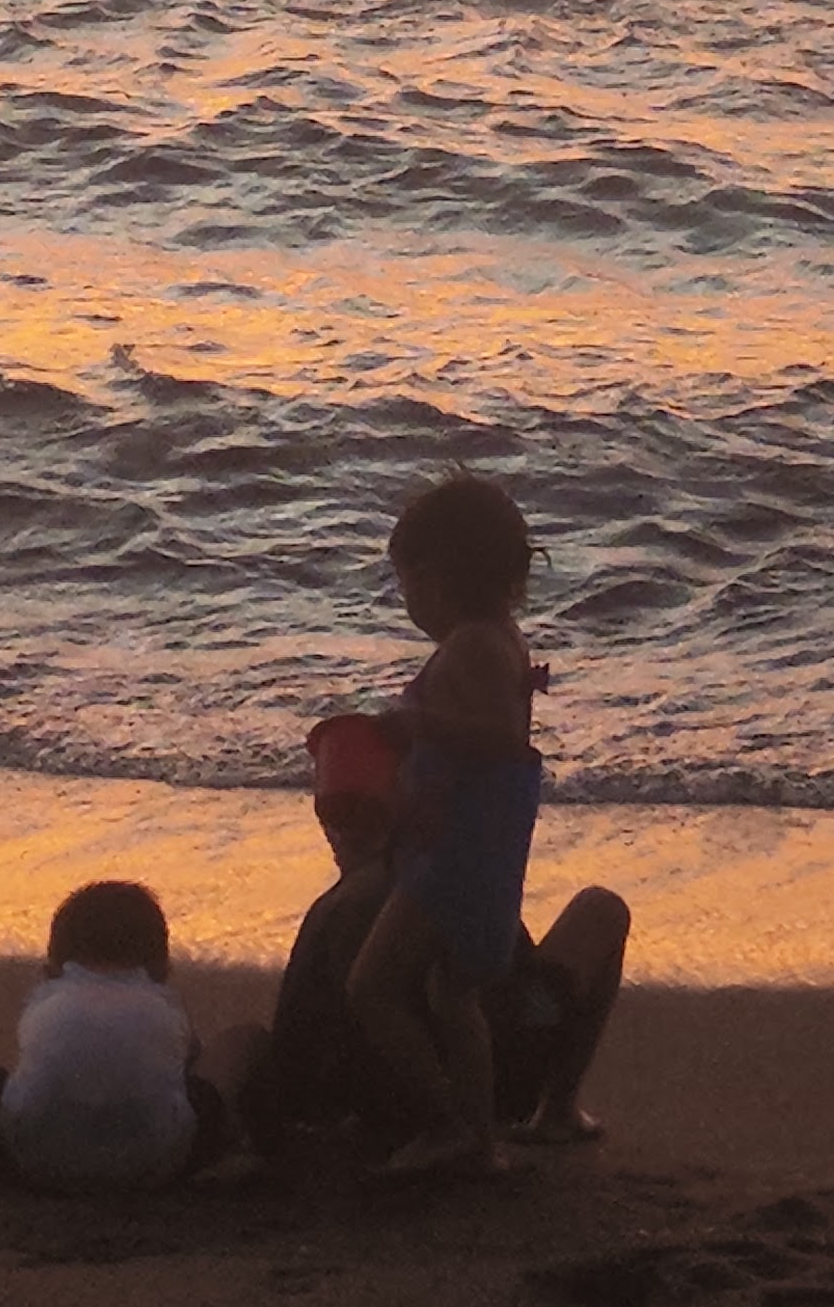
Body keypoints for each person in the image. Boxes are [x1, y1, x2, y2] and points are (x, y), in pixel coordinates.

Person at [249, 724, 625, 1163]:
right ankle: (556, 1110)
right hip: (494, 1079)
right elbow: (506, 964)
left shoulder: (331, 910)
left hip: (374, 1105)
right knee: (601, 908)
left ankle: (445, 1121)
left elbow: (294, 1042)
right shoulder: (442, 881)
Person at [340, 471, 552, 1176]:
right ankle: (476, 1136)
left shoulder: (473, 646)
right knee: (451, 993)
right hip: (466, 848)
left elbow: (498, 740)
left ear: (438, 579)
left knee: (371, 986)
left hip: (454, 858)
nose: (407, 602)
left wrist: (415, 725)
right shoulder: (499, 640)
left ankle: (446, 1123)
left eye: (408, 585)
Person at [0, 881, 236, 1192]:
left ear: (51, 968)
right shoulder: (159, 1001)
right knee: (243, 1039)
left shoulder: (51, 994)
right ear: (163, 969)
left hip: (31, 1155)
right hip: (159, 1161)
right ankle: (267, 1143)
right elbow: (189, 1061)